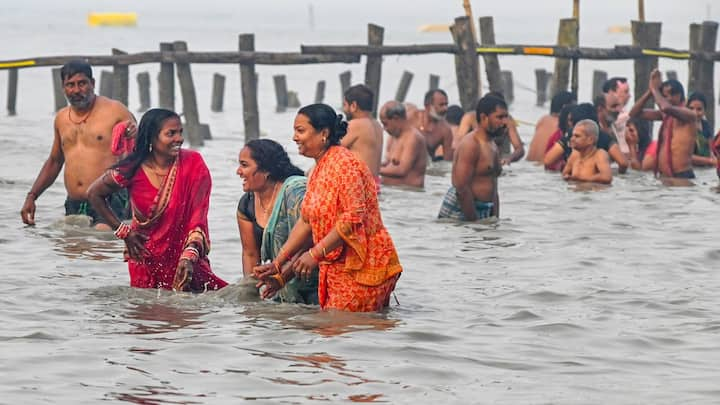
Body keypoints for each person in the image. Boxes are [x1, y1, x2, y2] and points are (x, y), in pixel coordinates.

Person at [253, 104, 403, 312]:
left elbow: (352, 218)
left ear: (324, 133)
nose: (295, 138)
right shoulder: (317, 170)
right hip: (334, 268)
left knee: (341, 332)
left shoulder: (345, 164)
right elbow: (306, 221)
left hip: (363, 267)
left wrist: (314, 254)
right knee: (332, 335)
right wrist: (278, 265)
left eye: (301, 131)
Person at [87, 108, 227, 292]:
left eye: (180, 132)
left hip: (186, 260)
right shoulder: (133, 168)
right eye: (171, 133)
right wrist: (124, 232)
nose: (179, 139)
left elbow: (198, 216)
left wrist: (190, 254)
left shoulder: (194, 163)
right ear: (152, 137)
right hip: (144, 259)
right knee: (147, 315)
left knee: (188, 314)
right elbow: (94, 194)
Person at [21, 60, 135, 229]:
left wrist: (134, 133)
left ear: (93, 84)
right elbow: (54, 161)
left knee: (101, 244)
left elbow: (138, 153)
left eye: (82, 83)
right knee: (71, 248)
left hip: (109, 197)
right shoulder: (61, 119)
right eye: (70, 85)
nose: (76, 90)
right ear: (63, 88)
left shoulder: (115, 111)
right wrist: (32, 196)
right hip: (74, 202)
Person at [236, 139, 317, 304]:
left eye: (244, 165)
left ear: (265, 170)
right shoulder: (247, 204)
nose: (239, 171)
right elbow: (250, 254)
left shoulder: (295, 192)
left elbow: (308, 240)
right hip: (278, 286)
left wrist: (282, 277)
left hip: (312, 282)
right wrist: (252, 292)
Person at [438, 95, 508, 221]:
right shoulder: (471, 144)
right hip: (462, 211)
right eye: (499, 117)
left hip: (483, 209)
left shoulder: (492, 146)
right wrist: (474, 224)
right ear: (483, 117)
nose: (504, 122)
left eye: (505, 117)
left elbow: (493, 185)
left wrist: (495, 219)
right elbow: (461, 188)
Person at [629, 70, 697, 179]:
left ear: (680, 96)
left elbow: (666, 107)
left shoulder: (689, 114)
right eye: (665, 96)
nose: (668, 98)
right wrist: (650, 91)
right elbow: (634, 113)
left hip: (682, 175)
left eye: (672, 95)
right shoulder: (664, 115)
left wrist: (655, 89)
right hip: (664, 176)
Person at [544, 103, 628, 173]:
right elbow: (623, 163)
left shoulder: (571, 135)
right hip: (597, 182)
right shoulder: (603, 137)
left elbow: (548, 161)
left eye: (571, 121)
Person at [457, 92, 524, 165]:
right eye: (499, 116)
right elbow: (457, 144)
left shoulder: (508, 120)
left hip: (497, 162)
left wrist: (509, 159)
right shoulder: (470, 118)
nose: (503, 121)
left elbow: (519, 149)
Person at [378, 101, 428, 188]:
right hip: (392, 192)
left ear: (396, 119)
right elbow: (388, 164)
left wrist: (372, 169)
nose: (384, 129)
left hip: (407, 195)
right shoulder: (392, 137)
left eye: (385, 124)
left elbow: (402, 170)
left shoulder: (413, 138)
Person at [341, 84, 384, 182]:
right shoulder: (377, 125)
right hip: (374, 185)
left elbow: (330, 151)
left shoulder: (355, 125)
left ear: (353, 106)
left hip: (359, 186)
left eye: (345, 105)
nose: (344, 110)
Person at [527, 91, 576, 161]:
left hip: (530, 164)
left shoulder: (543, 119)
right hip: (544, 167)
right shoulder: (562, 126)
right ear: (565, 107)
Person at [562, 120, 612, 184]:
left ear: (590, 140)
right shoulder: (574, 155)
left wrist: (581, 179)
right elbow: (564, 174)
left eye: (577, 136)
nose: (572, 139)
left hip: (593, 192)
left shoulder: (599, 154)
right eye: (572, 135)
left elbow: (607, 177)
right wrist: (568, 177)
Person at [415, 89, 453, 161]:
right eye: (441, 105)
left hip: (426, 168)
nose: (445, 108)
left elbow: (447, 162)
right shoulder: (412, 118)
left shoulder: (445, 130)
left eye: (446, 104)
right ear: (427, 106)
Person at [686, 92, 716, 167]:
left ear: (704, 111)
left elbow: (711, 151)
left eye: (699, 109)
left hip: (705, 168)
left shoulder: (705, 125)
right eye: (691, 108)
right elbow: (684, 156)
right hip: (687, 168)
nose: (694, 113)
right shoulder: (683, 127)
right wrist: (710, 161)